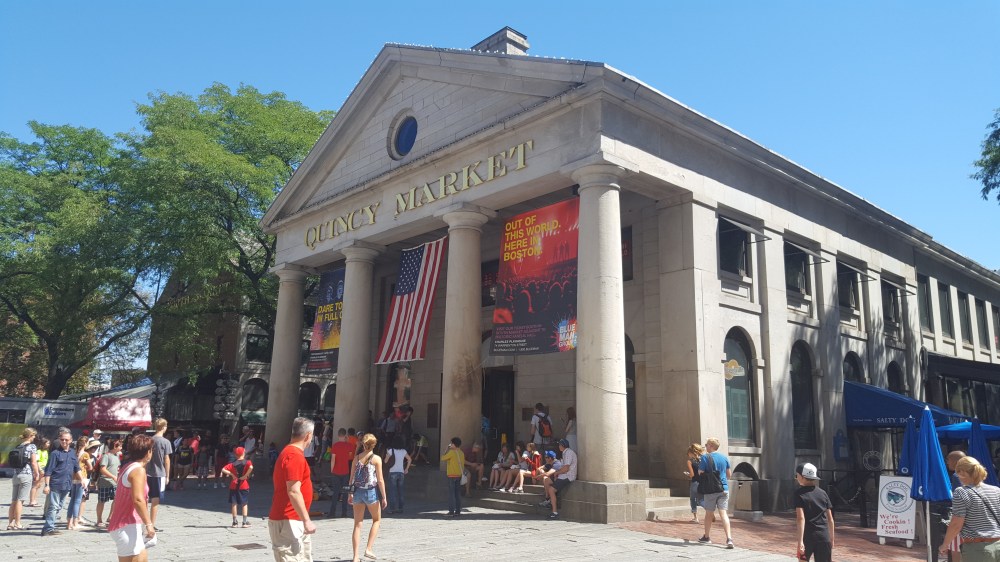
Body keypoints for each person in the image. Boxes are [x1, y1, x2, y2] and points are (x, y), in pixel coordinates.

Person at [268, 417, 316, 562]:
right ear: (308, 435)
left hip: (294, 519)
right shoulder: (294, 455)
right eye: (311, 437)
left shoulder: (291, 453)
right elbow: (294, 491)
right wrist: (307, 520)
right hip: (289, 519)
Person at [107, 434, 157, 562]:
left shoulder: (128, 467)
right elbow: (138, 500)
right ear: (148, 452)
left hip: (128, 523)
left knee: (142, 557)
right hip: (126, 524)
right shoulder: (138, 470)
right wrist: (149, 524)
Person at [941, 456, 1000, 561]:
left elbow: (956, 524)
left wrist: (945, 544)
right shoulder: (996, 491)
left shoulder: (961, 492)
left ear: (962, 473)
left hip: (978, 548)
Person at [348, 433, 388, 561]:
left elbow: (351, 479)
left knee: (357, 524)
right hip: (370, 491)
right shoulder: (376, 459)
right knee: (376, 520)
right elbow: (380, 480)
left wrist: (350, 493)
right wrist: (384, 497)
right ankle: (369, 548)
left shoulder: (356, 458)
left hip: (358, 491)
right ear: (374, 445)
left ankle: (355, 557)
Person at [41, 427, 80, 536]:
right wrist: (47, 485)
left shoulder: (73, 453)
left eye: (66, 440)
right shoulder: (55, 453)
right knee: (53, 506)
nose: (64, 441)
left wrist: (82, 480)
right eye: (62, 439)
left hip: (67, 484)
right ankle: (48, 529)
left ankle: (50, 526)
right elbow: (48, 471)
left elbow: (77, 468)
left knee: (59, 506)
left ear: (71, 440)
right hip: (55, 484)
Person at [697, 437, 734, 549]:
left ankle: (707, 537)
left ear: (711, 446)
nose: (705, 446)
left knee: (709, 514)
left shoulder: (705, 457)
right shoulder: (724, 457)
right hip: (724, 489)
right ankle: (729, 539)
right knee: (723, 514)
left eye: (707, 444)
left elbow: (700, 472)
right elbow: (729, 475)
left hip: (711, 490)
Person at [794, 462, 835, 562]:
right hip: (824, 536)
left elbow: (801, 518)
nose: (796, 477)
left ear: (802, 476)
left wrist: (800, 542)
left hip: (808, 537)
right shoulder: (823, 493)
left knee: (802, 560)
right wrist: (831, 538)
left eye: (797, 475)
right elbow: (830, 519)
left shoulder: (799, 494)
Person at [7, 427, 39, 530]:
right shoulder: (32, 447)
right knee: (21, 500)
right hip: (26, 474)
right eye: (34, 436)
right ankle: (18, 523)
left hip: (16, 474)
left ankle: (10, 523)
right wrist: (37, 473)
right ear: (30, 436)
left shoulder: (18, 446)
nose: (34, 438)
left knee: (14, 500)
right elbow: (34, 462)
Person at [540, 439, 576, 519]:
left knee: (551, 490)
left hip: (568, 476)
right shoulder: (565, 452)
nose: (558, 446)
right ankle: (550, 502)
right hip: (564, 475)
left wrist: (557, 473)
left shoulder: (568, 453)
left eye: (559, 445)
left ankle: (554, 512)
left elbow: (566, 468)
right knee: (549, 483)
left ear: (562, 445)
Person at [147, 418, 172, 529]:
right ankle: (151, 524)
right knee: (155, 500)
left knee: (144, 499)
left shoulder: (149, 440)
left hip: (147, 473)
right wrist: (167, 475)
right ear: (164, 427)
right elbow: (167, 459)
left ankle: (144, 522)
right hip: (159, 473)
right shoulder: (165, 442)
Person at [67, 436, 96, 530]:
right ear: (86, 443)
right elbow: (90, 467)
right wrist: (85, 468)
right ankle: (75, 522)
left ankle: (69, 522)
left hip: (73, 477)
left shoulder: (74, 453)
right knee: (77, 500)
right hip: (82, 477)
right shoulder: (85, 454)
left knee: (72, 500)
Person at [221, 446, 253, 528]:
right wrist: (245, 475)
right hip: (244, 485)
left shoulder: (233, 464)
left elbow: (223, 469)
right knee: (244, 503)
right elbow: (251, 467)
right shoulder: (247, 462)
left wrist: (231, 474)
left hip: (234, 485)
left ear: (236, 455)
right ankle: (244, 522)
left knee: (234, 503)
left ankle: (234, 522)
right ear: (243, 453)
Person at [96, 438, 123, 528]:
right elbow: (102, 469)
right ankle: (99, 519)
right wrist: (113, 476)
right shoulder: (106, 456)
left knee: (116, 500)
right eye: (120, 446)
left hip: (114, 483)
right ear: (115, 446)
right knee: (102, 501)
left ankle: (110, 517)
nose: (121, 447)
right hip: (105, 482)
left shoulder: (117, 456)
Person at [329, 428, 355, 518]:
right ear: (345, 436)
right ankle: (344, 513)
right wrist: (347, 441)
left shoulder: (335, 446)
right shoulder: (349, 446)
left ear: (338, 435)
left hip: (336, 471)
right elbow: (351, 456)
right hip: (346, 472)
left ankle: (332, 512)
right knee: (345, 493)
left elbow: (333, 459)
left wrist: (332, 470)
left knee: (335, 493)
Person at [385, 434, 412, 514]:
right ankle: (400, 508)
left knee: (392, 491)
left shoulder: (391, 451)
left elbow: (385, 461)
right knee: (400, 491)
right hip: (401, 472)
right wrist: (406, 469)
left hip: (392, 472)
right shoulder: (403, 451)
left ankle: (392, 508)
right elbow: (409, 459)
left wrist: (386, 455)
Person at [441, 436, 466, 517]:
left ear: (454, 444)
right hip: (459, 475)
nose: (450, 444)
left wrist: (446, 449)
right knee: (457, 494)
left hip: (451, 475)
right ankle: (458, 511)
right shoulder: (461, 453)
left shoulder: (451, 452)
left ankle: (451, 511)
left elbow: (442, 458)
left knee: (451, 494)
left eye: (451, 443)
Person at [684, 443, 705, 523]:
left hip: (695, 482)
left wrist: (688, 474)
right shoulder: (703, 459)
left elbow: (692, 474)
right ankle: (710, 511)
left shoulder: (690, 461)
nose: (688, 455)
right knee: (702, 499)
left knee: (693, 499)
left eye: (688, 453)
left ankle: (695, 518)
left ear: (691, 452)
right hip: (703, 482)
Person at [29, 436, 50, 507]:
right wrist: (40, 469)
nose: (48, 444)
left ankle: (35, 500)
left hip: (44, 468)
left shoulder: (46, 451)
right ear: (43, 444)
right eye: (47, 443)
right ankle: (32, 501)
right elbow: (36, 461)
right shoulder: (38, 451)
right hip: (39, 468)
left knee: (39, 485)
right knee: (35, 485)